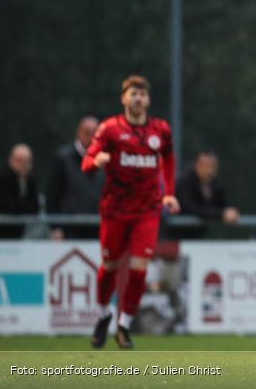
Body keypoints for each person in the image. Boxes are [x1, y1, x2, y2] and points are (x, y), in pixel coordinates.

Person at [83, 75, 179, 350]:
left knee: (138, 270)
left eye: (142, 94)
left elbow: (169, 158)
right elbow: (87, 161)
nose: (138, 98)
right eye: (133, 94)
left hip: (147, 210)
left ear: (148, 101)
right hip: (115, 209)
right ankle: (103, 315)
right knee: (109, 269)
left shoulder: (160, 130)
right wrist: (95, 161)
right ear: (123, 98)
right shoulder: (110, 129)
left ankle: (124, 325)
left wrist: (169, 192)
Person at [47, 116, 104, 239]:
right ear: (78, 132)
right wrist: (54, 227)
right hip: (69, 230)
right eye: (87, 133)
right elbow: (52, 195)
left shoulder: (105, 159)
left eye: (95, 133)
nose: (91, 137)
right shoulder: (63, 158)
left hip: (98, 228)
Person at [176, 150, 240, 231]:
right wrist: (221, 214)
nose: (208, 170)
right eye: (205, 166)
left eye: (212, 166)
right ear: (196, 165)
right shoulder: (184, 183)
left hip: (200, 236)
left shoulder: (216, 185)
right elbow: (191, 209)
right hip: (177, 235)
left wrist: (230, 212)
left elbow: (222, 205)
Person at [0, 144, 39, 238]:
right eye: (22, 161)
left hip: (23, 231)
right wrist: (23, 208)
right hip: (1, 232)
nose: (26, 164)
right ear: (12, 160)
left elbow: (35, 206)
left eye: (28, 161)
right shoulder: (2, 178)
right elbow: (5, 205)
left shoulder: (30, 180)